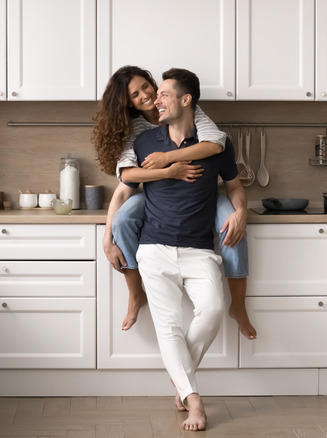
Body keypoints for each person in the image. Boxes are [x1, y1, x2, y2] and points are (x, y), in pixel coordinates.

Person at [91, 66, 257, 339]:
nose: (146, 96)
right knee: (122, 220)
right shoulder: (136, 132)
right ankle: (135, 293)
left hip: (202, 193)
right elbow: (126, 179)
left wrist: (169, 158)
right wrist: (106, 239)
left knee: (234, 225)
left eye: (147, 86)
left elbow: (215, 144)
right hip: (156, 193)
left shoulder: (186, 107)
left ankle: (238, 306)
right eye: (135, 94)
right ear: (127, 103)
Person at [127, 68, 247, 431]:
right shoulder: (145, 142)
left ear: (185, 100)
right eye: (155, 94)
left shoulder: (215, 143)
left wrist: (240, 211)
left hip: (199, 249)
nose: (155, 100)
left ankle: (182, 380)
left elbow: (236, 186)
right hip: (154, 248)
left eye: (163, 94)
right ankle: (195, 401)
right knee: (168, 326)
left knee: (213, 309)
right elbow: (126, 181)